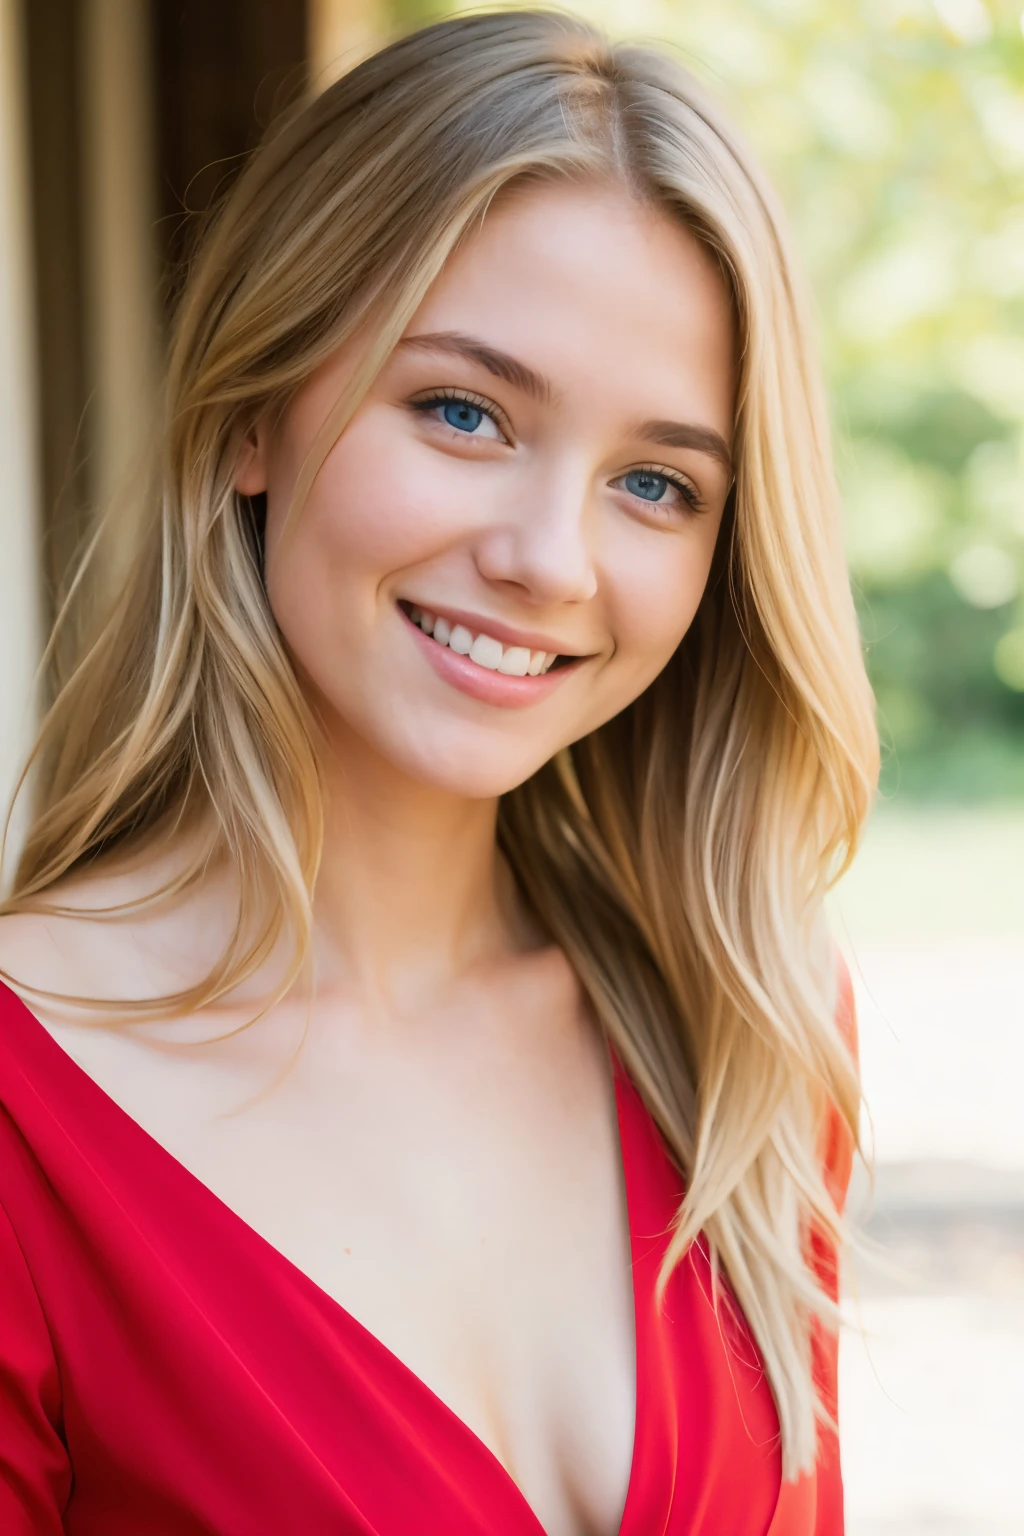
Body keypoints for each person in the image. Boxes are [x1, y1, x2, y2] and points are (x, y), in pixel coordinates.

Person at [0, 10, 877, 1534]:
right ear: (251, 416)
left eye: (655, 484)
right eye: (463, 411)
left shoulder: (742, 1037)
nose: (549, 560)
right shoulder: (27, 1117)